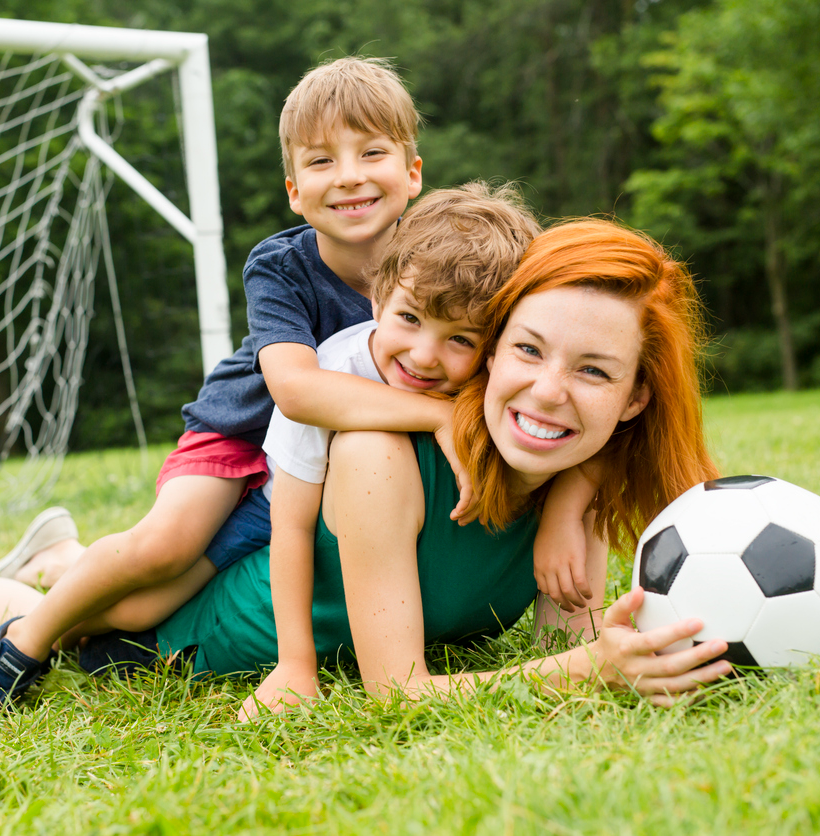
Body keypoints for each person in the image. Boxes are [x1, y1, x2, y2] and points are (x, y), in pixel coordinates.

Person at [0, 218, 730, 712]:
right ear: (501, 347)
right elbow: (400, 693)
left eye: (594, 371)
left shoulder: (581, 467)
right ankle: (32, 592)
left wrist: (609, 649)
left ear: (635, 398)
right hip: (186, 639)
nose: (547, 392)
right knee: (84, 616)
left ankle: (60, 556)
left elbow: (573, 644)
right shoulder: (372, 445)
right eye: (530, 350)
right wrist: (583, 671)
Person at [0, 55, 477, 700]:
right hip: (241, 438)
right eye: (321, 161)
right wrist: (440, 413)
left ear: (412, 171)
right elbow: (296, 392)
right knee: (164, 548)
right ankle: (24, 642)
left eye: (372, 153)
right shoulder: (279, 266)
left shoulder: (440, 264)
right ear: (294, 191)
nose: (349, 176)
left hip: (312, 471)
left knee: (139, 611)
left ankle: (58, 561)